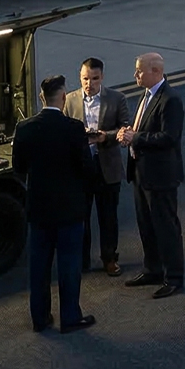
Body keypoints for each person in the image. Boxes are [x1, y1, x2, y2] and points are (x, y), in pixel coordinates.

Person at [12, 74, 97, 334]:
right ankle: (69, 317)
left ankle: (40, 318)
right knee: (69, 265)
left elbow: (18, 167)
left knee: (39, 267)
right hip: (69, 209)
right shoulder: (73, 128)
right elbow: (86, 168)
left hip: (39, 210)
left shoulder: (24, 128)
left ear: (41, 97)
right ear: (63, 97)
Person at [118, 52, 185, 298]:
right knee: (146, 225)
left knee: (165, 227)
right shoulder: (146, 95)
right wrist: (128, 133)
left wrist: (136, 137)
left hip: (160, 176)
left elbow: (169, 137)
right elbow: (144, 127)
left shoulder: (170, 100)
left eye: (139, 70)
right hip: (141, 173)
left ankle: (174, 277)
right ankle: (153, 269)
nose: (135, 74)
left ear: (156, 71)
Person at [63, 57, 129, 277]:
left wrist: (104, 137)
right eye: (85, 78)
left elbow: (125, 128)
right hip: (81, 168)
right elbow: (63, 129)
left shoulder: (117, 98)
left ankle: (110, 258)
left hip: (107, 166)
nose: (89, 83)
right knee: (80, 217)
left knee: (108, 217)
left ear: (102, 78)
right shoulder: (70, 100)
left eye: (94, 79)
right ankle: (82, 260)